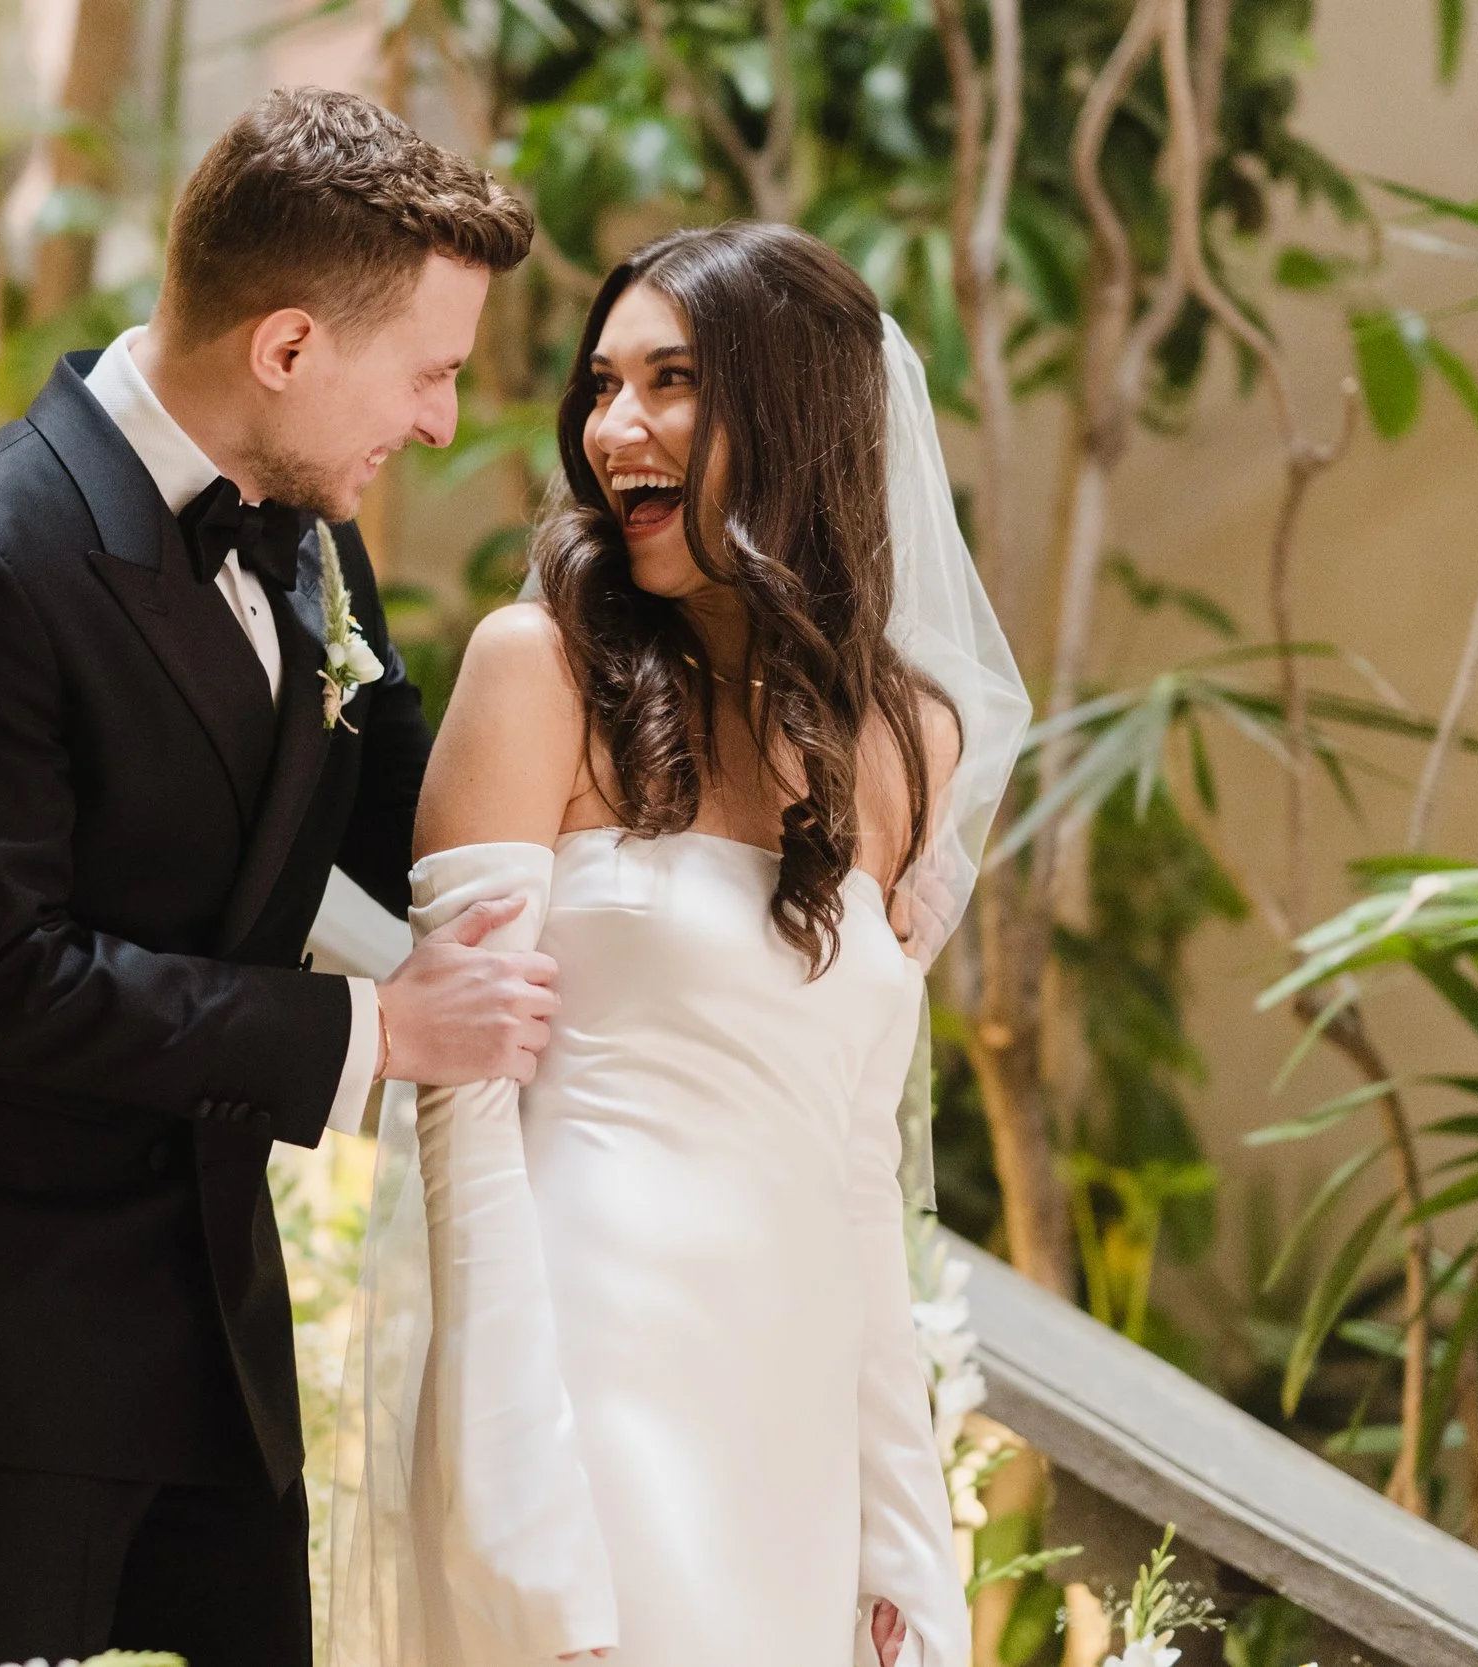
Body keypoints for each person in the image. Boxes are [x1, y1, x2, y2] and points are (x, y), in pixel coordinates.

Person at [0, 88, 555, 1667]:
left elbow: (406, 816)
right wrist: (375, 1036)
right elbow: (1, 980)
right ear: (286, 349)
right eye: (430, 373)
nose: (442, 422)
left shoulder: (304, 527)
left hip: (210, 1331)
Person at [329, 222, 1031, 1667]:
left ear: (798, 419)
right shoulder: (540, 668)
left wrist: (906, 1540)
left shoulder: (911, 740)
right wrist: (524, 1542)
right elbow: (462, 1117)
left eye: (673, 381)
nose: (614, 429)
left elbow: (859, 1174)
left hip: (786, 1420)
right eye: (601, 385)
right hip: (580, 1393)